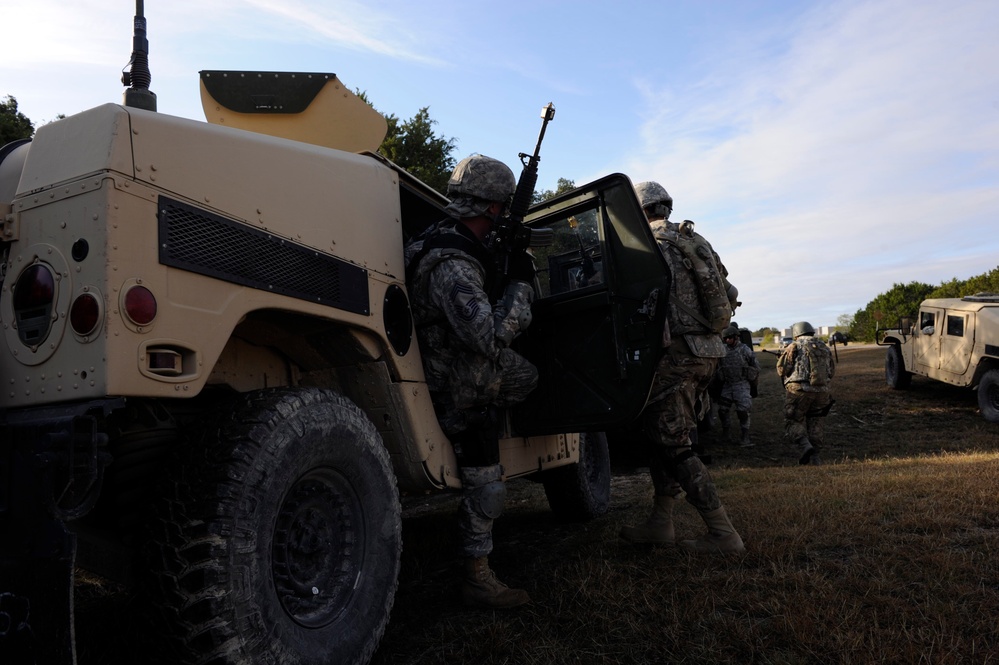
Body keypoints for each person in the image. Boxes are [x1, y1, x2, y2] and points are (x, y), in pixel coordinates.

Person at [405, 154, 538, 609]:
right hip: (454, 379)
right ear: (494, 209)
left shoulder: (441, 240)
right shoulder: (454, 262)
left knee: (517, 374)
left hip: (443, 364)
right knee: (522, 380)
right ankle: (477, 577)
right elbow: (484, 337)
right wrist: (519, 291)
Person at [618, 181, 745, 554]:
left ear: (637, 212)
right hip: (708, 353)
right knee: (666, 436)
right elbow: (728, 291)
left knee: (673, 443)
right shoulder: (694, 239)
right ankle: (661, 521)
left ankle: (722, 532)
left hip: (676, 355)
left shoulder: (647, 246)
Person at [776, 321, 835, 465]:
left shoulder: (794, 346)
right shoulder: (824, 347)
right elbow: (831, 371)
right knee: (816, 421)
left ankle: (805, 445)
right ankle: (816, 457)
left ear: (796, 333)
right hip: (822, 391)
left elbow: (782, 370)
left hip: (800, 390)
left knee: (793, 419)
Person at [715, 324, 760, 447]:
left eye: (730, 338)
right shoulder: (722, 350)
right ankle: (726, 434)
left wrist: (753, 381)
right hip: (728, 384)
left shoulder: (745, 350)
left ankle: (745, 437)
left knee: (743, 411)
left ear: (736, 337)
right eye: (725, 339)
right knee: (722, 410)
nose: (727, 340)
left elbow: (755, 367)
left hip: (741, 384)